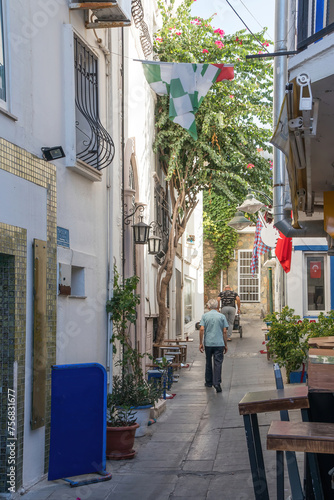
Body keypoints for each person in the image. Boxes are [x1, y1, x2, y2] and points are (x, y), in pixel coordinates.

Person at [199, 298, 228, 393]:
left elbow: (202, 329)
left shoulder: (205, 316)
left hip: (208, 343)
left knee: (208, 361)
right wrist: (225, 344)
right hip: (219, 343)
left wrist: (200, 343)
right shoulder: (222, 316)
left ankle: (208, 382)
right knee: (218, 363)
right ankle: (217, 382)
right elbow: (224, 331)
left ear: (208, 306)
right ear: (217, 306)